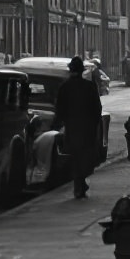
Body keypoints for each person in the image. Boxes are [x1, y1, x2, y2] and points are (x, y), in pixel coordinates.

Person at [54, 55, 103, 199]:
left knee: (75, 157)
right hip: (87, 128)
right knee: (86, 156)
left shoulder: (64, 87)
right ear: (82, 70)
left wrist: (60, 123)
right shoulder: (89, 87)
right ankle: (80, 183)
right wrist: (95, 123)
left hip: (72, 127)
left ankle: (78, 183)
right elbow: (97, 108)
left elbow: (60, 109)